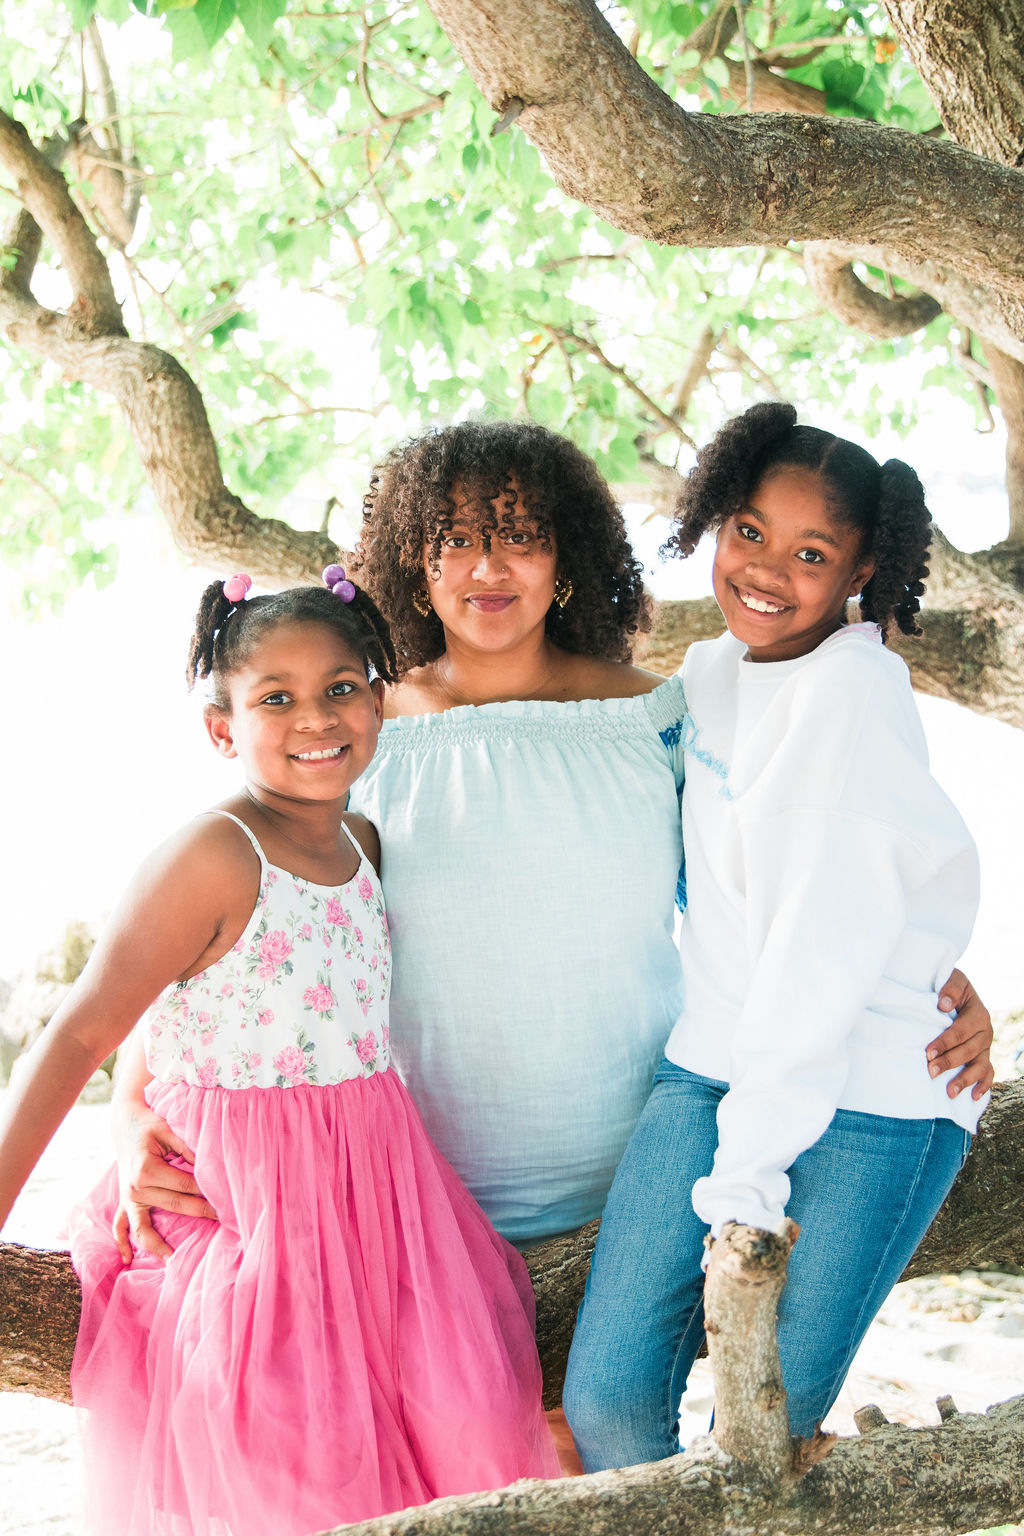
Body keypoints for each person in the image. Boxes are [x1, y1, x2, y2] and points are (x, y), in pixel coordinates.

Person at [110, 420, 992, 1264]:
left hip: (647, 1162)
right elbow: (235, 920)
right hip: (413, 1178)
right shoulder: (358, 729)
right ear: (415, 559)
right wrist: (128, 1099)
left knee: (590, 1415)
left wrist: (925, 982)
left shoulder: (660, 718)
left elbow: (797, 871)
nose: (486, 566)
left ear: (566, 553)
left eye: (520, 536)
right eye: (454, 539)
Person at [0, 573, 558, 1536]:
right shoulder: (214, 854)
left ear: (380, 699)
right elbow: (86, 1028)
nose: (317, 717)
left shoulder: (365, 842)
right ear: (222, 728)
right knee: (291, 1459)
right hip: (248, 1207)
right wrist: (110, 1130)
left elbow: (192, 1002)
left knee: (458, 1424)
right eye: (276, 699)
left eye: (342, 687)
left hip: (383, 1200)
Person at [562, 401, 989, 1470]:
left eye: (811, 552)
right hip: (711, 1065)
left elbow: (816, 960)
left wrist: (744, 1193)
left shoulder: (849, 691)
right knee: (608, 1403)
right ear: (713, 516)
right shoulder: (707, 674)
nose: (766, 568)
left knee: (757, 1439)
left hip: (869, 1097)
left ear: (859, 572)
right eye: (748, 531)